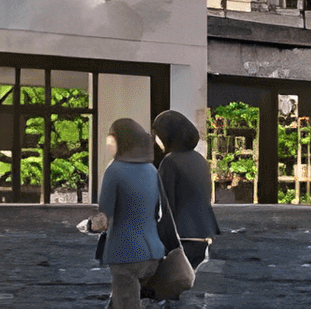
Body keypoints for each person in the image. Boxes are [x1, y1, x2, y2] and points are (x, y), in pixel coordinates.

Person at [79, 118, 166, 309]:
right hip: (153, 251)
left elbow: (104, 219)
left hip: (126, 254)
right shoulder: (152, 170)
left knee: (126, 303)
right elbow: (158, 211)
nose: (109, 143)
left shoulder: (115, 170)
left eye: (112, 139)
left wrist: (88, 225)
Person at [149, 109, 221, 289]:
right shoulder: (200, 160)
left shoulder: (170, 162)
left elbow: (164, 205)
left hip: (181, 237)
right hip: (203, 235)